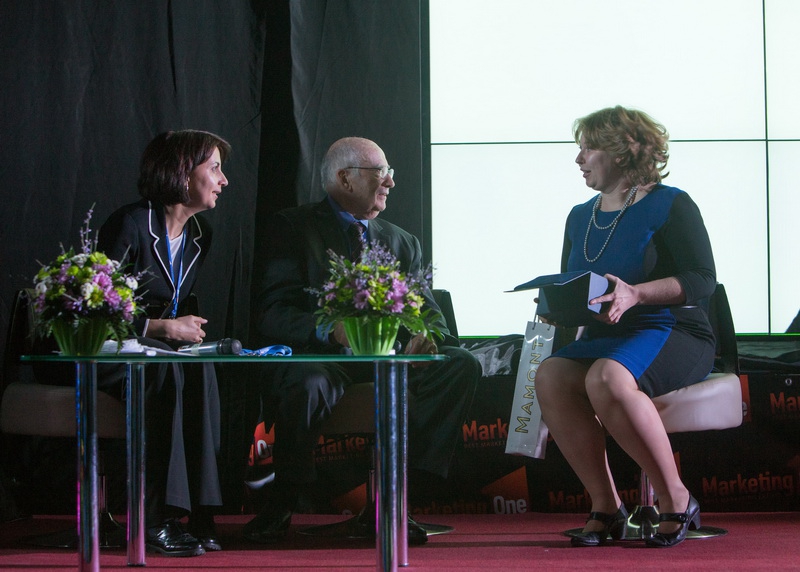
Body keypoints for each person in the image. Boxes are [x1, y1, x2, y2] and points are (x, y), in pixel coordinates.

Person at [244, 136, 481, 544]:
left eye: (390, 172)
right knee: (308, 382)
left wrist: (426, 336)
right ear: (345, 178)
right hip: (323, 359)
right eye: (380, 173)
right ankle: (283, 499)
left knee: (461, 363)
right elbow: (272, 312)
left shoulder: (402, 242)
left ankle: (398, 494)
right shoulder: (293, 228)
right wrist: (329, 329)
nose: (390, 182)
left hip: (390, 360)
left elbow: (431, 315)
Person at [535, 106, 717, 548]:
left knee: (606, 376)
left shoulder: (671, 203)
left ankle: (677, 498)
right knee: (551, 374)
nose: (579, 159)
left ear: (622, 151)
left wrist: (636, 293)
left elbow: (701, 280)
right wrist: (560, 308)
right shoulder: (579, 216)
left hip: (673, 327)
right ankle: (607, 506)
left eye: (588, 148)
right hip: (609, 335)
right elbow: (577, 284)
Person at [97, 129, 231, 557]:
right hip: (106, 352)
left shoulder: (200, 234)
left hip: (155, 353)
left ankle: (202, 512)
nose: (223, 179)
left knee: (201, 368)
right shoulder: (130, 224)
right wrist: (161, 328)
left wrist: (184, 334)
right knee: (163, 370)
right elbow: (96, 310)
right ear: (182, 172)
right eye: (214, 168)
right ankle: (154, 517)